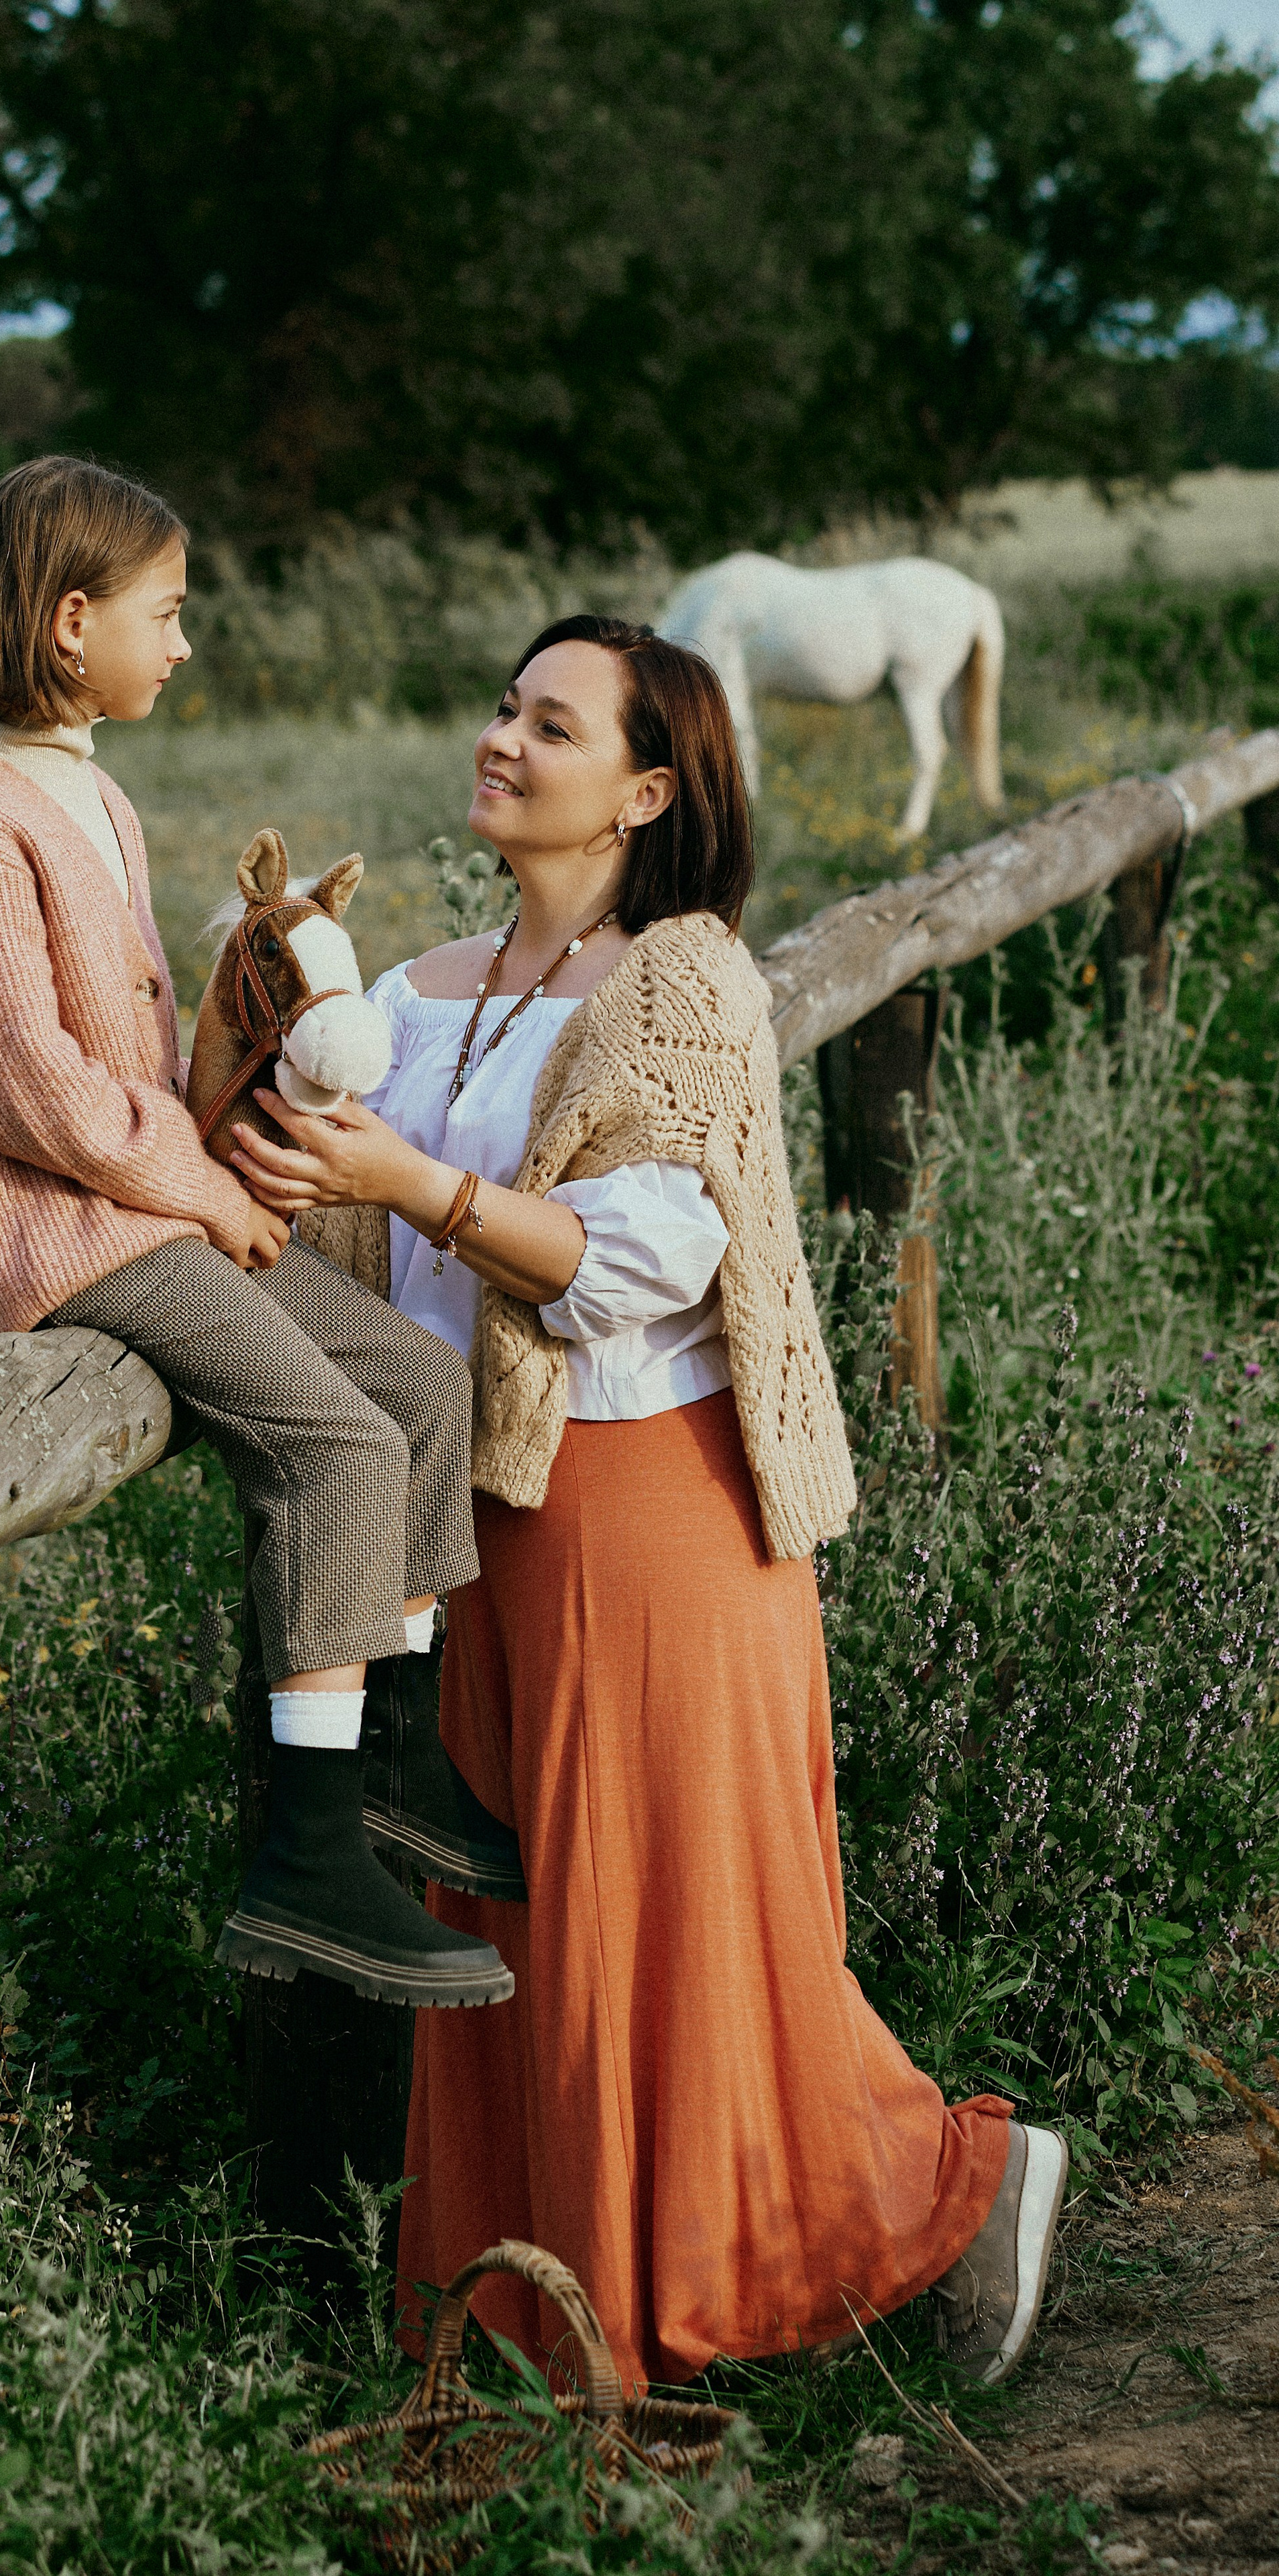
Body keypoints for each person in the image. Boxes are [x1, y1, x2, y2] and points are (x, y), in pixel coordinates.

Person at [226, 614, 1069, 2392]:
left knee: (672, 1934)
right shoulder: (417, 991)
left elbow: (638, 1261)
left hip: (650, 1503)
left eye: (553, 721)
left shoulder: (681, 979)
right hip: (476, 1525)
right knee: (517, 1939)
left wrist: (409, 1186)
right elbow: (314, 1202)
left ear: (649, 786)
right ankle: (544, 2343)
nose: (504, 740)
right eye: (501, 709)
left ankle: (946, 2184)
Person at [0, 454, 514, 2012]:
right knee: (338, 1447)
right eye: (168, 613)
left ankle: (390, 1761)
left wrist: (239, 1142)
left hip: (143, 1201)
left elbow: (139, 1069)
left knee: (420, 1389)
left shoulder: (92, 792)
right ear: (71, 623)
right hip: (63, 1235)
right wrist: (210, 1189)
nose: (186, 642)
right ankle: (302, 1861)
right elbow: (36, 1097)